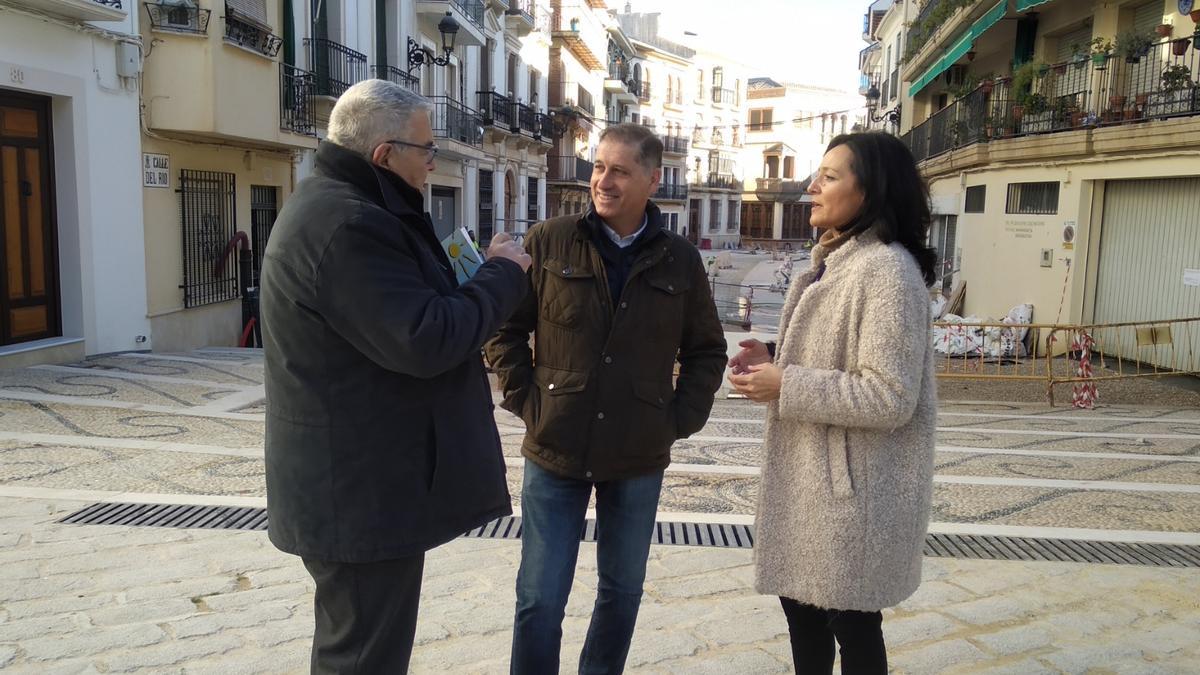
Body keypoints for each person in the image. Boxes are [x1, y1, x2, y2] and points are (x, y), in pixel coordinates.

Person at [260, 79, 532, 674]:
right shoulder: (348, 224)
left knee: (363, 650)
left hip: (360, 484)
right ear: (384, 155)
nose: (433, 163)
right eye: (426, 150)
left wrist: (477, 275)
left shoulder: (348, 207)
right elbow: (427, 338)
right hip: (357, 494)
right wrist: (504, 274)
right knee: (361, 658)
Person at [485, 123, 727, 674]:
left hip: (638, 453)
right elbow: (504, 329)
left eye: (619, 170)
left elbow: (707, 351)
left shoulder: (680, 260)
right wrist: (527, 400)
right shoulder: (550, 239)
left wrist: (677, 419)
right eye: (599, 167)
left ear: (651, 178)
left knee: (622, 592)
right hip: (555, 444)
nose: (603, 180)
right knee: (539, 597)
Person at [727, 132, 938, 674]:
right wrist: (774, 354)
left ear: (869, 193)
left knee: (852, 628)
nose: (812, 187)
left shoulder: (886, 270)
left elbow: (889, 396)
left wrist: (785, 384)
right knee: (803, 618)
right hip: (815, 489)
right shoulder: (836, 260)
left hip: (850, 498)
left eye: (830, 176)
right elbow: (839, 351)